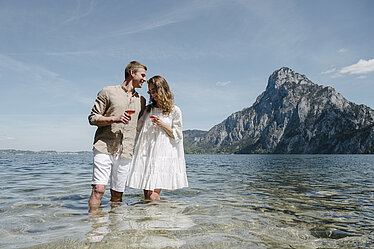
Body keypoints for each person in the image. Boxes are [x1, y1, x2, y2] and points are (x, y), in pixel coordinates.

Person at [88, 61, 147, 212]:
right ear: (132, 73)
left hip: (126, 151)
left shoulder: (141, 100)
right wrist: (114, 119)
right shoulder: (107, 92)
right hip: (104, 146)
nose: (144, 79)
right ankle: (94, 229)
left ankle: (115, 231)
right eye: (142, 75)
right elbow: (93, 118)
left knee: (117, 194)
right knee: (99, 190)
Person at [126, 75, 188, 200]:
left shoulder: (174, 110)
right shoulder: (148, 110)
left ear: (163, 89)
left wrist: (163, 125)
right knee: (147, 195)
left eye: (154, 90)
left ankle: (158, 218)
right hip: (146, 154)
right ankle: (151, 218)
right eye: (150, 91)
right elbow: (137, 129)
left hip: (162, 155)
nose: (152, 94)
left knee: (152, 195)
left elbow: (177, 136)